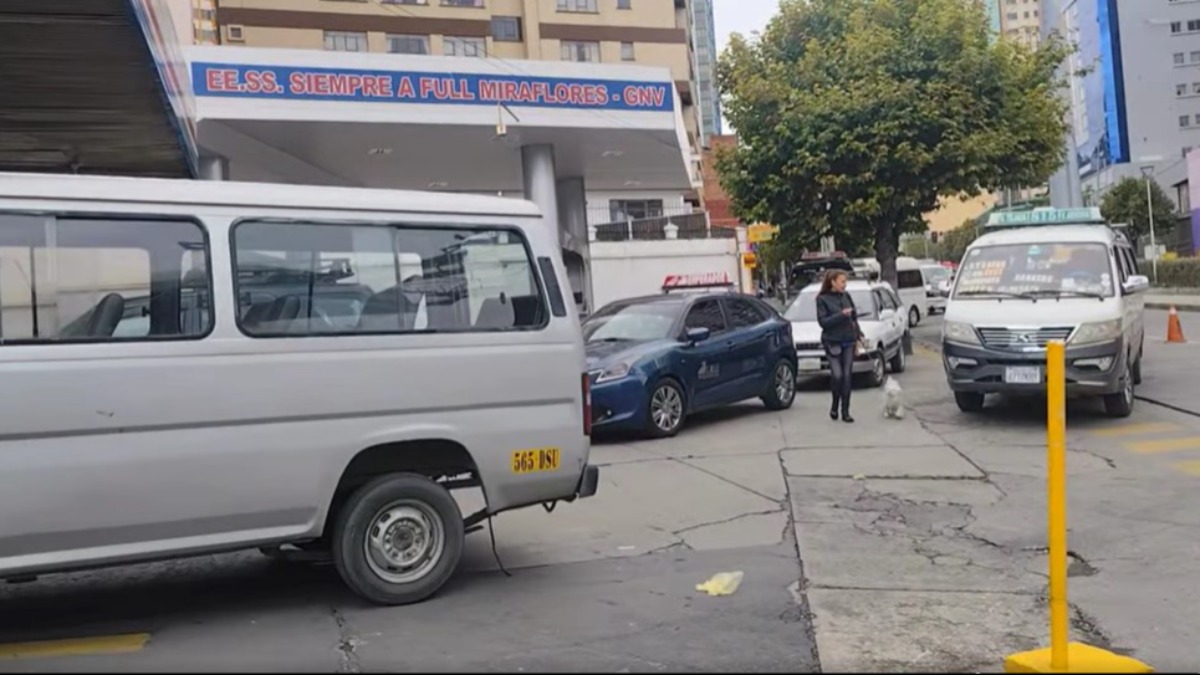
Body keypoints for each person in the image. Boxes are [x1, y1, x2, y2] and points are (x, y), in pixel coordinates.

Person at [816, 270, 864, 423]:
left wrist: (859, 334)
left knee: (847, 376)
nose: (845, 285)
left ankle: (846, 411)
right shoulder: (822, 299)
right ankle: (835, 404)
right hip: (832, 341)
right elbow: (823, 322)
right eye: (842, 282)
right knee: (837, 375)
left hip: (848, 340)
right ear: (833, 282)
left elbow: (854, 318)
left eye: (845, 282)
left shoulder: (846, 296)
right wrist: (841, 315)